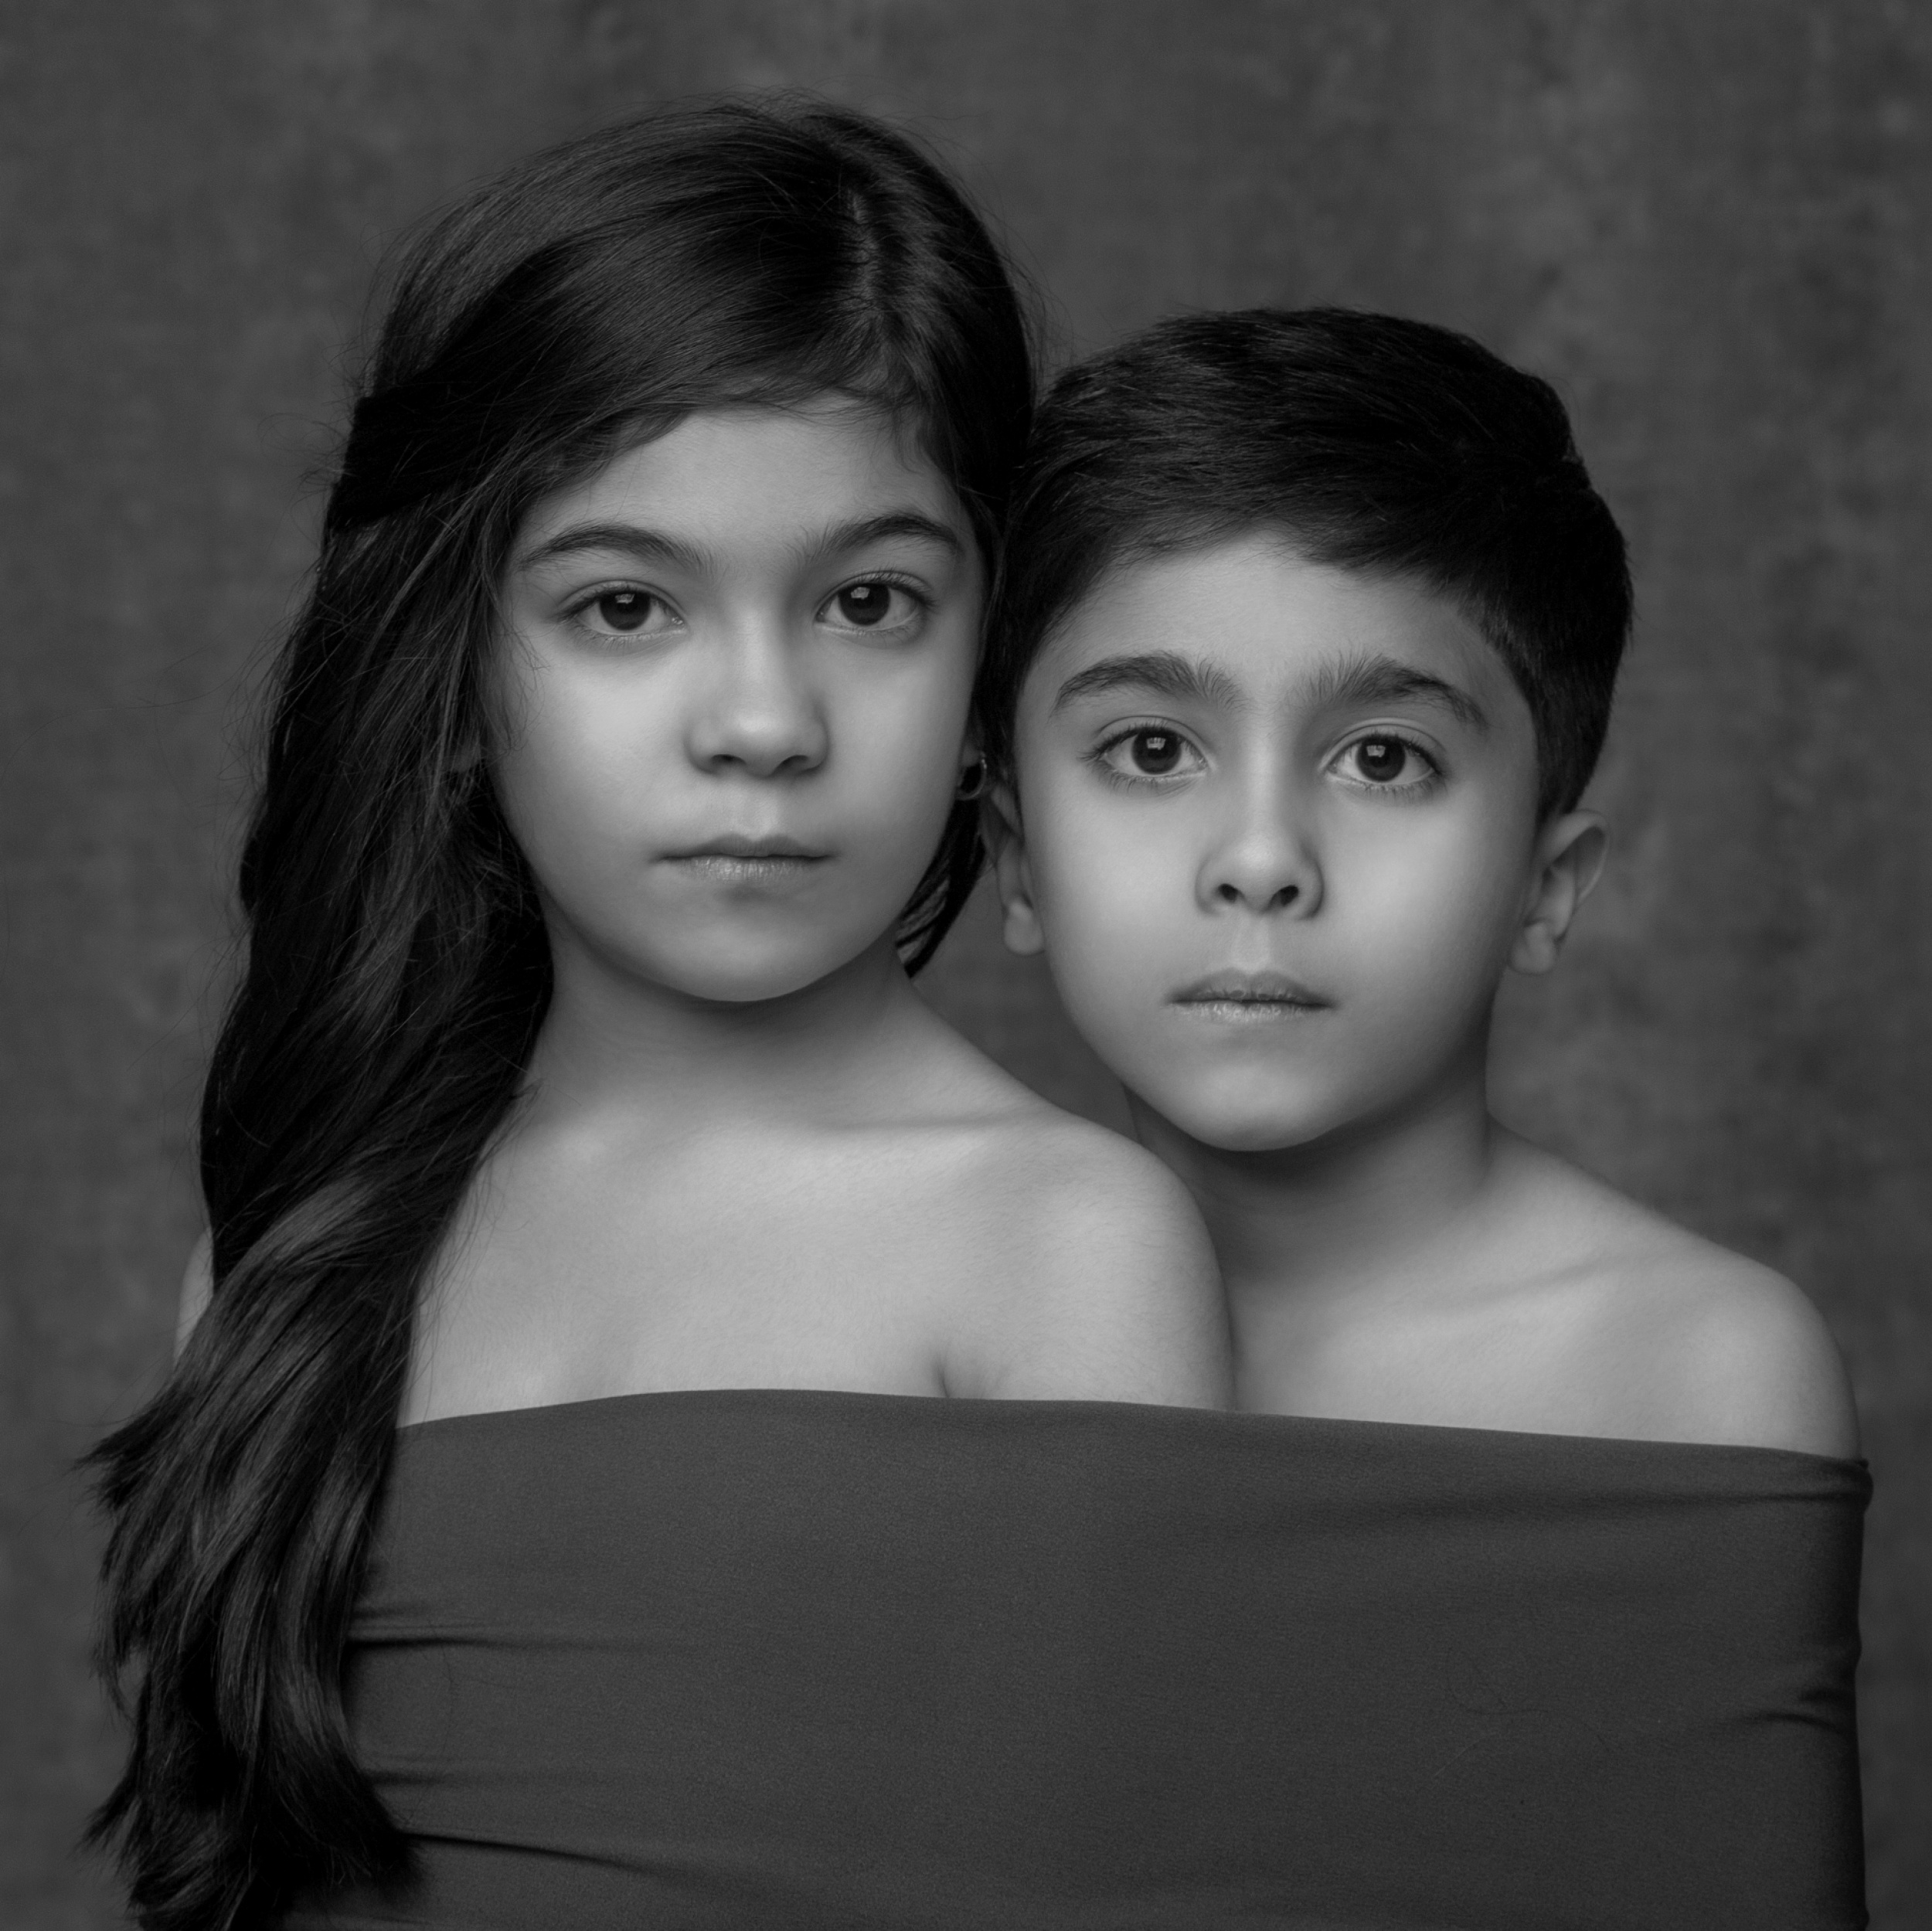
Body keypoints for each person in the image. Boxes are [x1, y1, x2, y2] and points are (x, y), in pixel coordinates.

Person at [89, 102, 1226, 1931]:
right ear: (457, 675)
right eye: (625, 605)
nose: (762, 720)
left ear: (988, 665)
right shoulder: (289, 1248)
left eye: (868, 600)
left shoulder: (1058, 1239)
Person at [978, 308, 1869, 1927]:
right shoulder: (902, 1325)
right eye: (1152, 748)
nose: (1260, 859)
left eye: (1382, 758)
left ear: (1546, 882)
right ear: (1016, 855)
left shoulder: (1694, 1370)